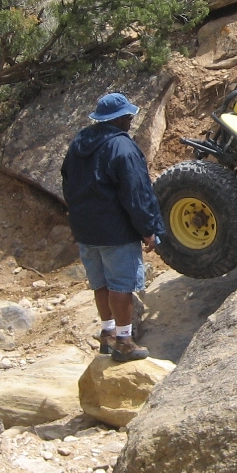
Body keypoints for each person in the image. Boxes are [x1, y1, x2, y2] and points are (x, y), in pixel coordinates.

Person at [60, 92, 162, 362]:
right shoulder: (122, 148)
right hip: (115, 231)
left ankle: (107, 334)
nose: (131, 119)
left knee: (100, 282)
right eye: (127, 116)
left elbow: (67, 182)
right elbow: (136, 193)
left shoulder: (80, 142)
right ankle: (124, 341)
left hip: (85, 229)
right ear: (117, 120)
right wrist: (148, 228)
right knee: (121, 285)